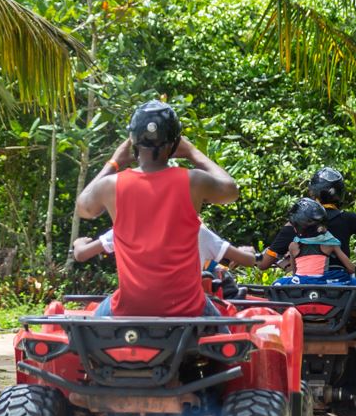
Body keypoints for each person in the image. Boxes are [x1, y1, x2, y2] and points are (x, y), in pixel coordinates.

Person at [75, 100, 239, 317]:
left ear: (132, 141)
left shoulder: (110, 186)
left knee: (92, 331)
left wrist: (114, 162)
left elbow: (83, 207)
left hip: (128, 308)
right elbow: (231, 190)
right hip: (189, 309)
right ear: (175, 142)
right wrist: (192, 152)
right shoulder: (193, 181)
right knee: (229, 343)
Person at [258, 167, 356, 278]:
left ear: (313, 194)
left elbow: (264, 264)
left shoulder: (294, 224)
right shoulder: (349, 219)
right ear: (341, 194)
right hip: (340, 290)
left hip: (303, 289)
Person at [72, 223, 257, 271]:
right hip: (187, 307)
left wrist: (79, 243)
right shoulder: (196, 230)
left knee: (92, 329)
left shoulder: (127, 226)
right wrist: (247, 252)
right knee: (228, 332)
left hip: (134, 305)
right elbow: (248, 260)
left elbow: (80, 255)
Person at [273, 197, 356, 286]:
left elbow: (295, 273)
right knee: (353, 282)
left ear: (296, 228)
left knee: (278, 283)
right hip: (321, 282)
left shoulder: (293, 246)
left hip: (300, 282)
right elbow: (351, 269)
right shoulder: (330, 244)